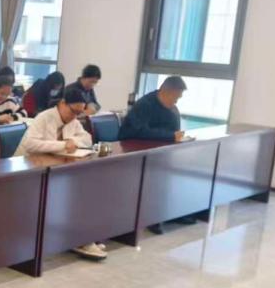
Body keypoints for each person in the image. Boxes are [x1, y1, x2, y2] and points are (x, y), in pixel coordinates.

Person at [17, 87, 105, 261]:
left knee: (85, 190)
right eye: (73, 111)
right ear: (62, 103)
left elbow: (87, 138)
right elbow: (30, 144)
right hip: (28, 170)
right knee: (72, 195)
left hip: (54, 167)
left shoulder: (73, 120)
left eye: (79, 113)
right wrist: (62, 145)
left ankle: (80, 237)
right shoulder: (45, 117)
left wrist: (72, 141)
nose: (75, 116)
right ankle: (80, 239)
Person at [119, 76, 187, 142]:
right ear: (164, 92)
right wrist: (170, 136)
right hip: (129, 144)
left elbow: (175, 133)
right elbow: (140, 131)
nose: (176, 101)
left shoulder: (173, 110)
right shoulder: (144, 104)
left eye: (178, 98)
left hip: (155, 145)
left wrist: (176, 136)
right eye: (174, 97)